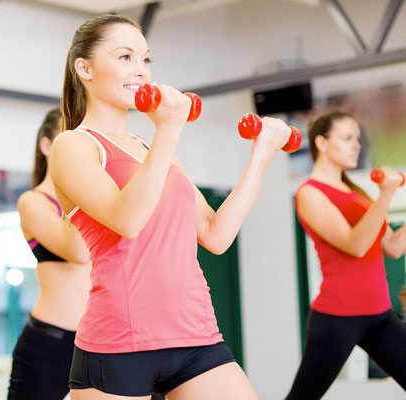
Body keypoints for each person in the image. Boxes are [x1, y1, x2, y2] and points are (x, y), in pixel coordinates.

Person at [49, 13, 292, 399]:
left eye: (146, 60)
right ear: (85, 68)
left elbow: (216, 234)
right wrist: (168, 129)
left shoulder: (152, 150)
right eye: (125, 57)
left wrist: (260, 156)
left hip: (196, 334)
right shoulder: (74, 146)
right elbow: (126, 220)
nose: (140, 71)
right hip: (120, 342)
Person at [286, 110, 406, 399]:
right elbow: (356, 245)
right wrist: (386, 195)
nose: (357, 145)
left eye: (358, 139)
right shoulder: (310, 193)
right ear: (322, 143)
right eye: (347, 138)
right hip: (338, 318)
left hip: (380, 315)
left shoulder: (357, 192)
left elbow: (392, 246)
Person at [7, 107, 92, 399]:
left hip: (104, 339)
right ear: (47, 146)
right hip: (52, 341)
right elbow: (78, 251)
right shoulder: (32, 202)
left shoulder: (99, 200)